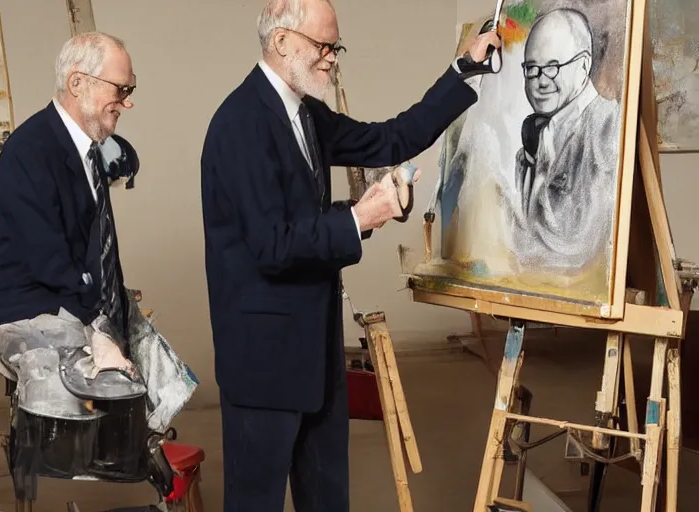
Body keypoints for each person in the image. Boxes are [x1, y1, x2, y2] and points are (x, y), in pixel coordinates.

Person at [199, 0, 501, 509]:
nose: (332, 58)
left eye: (335, 46)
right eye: (323, 45)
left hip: (316, 356)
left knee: (327, 499)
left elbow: (390, 138)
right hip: (264, 366)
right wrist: (361, 217)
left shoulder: (306, 113)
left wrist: (463, 68)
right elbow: (274, 246)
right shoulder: (239, 124)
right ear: (281, 42)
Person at [0, 31, 145, 392]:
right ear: (77, 83)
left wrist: (113, 318)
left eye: (129, 91)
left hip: (75, 302)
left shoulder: (93, 149)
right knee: (95, 384)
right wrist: (97, 328)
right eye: (120, 90)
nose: (125, 103)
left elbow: (96, 251)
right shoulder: (28, 152)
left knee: (160, 384)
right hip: (29, 307)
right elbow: (50, 260)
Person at [510, 8, 620, 271]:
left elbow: (579, 247)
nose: (540, 81)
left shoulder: (608, 130)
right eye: (532, 69)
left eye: (552, 67)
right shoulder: (531, 143)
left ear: (584, 66)